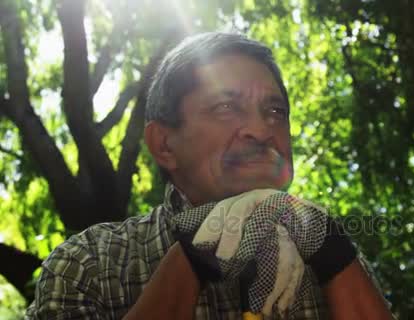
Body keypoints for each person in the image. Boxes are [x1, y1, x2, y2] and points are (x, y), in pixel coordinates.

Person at [26, 32, 393, 319]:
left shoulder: (335, 256)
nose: (262, 130)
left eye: (276, 110)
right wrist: (192, 255)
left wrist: (334, 253)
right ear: (164, 144)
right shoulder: (88, 264)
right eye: (225, 107)